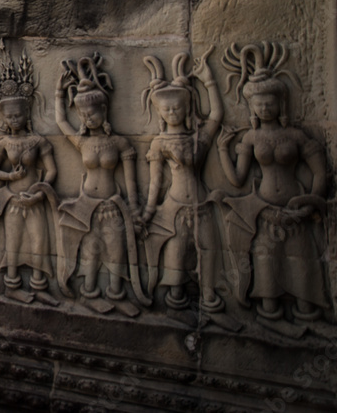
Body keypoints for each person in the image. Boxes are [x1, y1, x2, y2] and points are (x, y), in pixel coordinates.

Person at [217, 42, 328, 323]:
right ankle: (268, 319)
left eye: (269, 102)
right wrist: (221, 150)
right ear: (251, 108)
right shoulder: (251, 139)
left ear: (281, 104)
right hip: (264, 213)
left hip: (295, 211)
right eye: (259, 104)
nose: (264, 107)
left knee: (302, 272)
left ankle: (306, 317)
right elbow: (238, 179)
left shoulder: (296, 136)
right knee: (266, 275)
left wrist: (309, 202)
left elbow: (320, 173)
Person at [54, 54, 149, 312]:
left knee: (117, 253)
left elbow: (131, 184)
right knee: (91, 252)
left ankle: (117, 296)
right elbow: (62, 123)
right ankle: (89, 294)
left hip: (112, 206)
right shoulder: (83, 142)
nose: (87, 118)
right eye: (83, 114)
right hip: (86, 206)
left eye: (92, 113)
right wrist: (59, 94)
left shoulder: (119, 144)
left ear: (103, 110)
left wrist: (136, 210)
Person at [140, 50, 227, 314]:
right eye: (166, 109)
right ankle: (175, 301)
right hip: (174, 208)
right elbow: (155, 183)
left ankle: (210, 296)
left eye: (177, 107)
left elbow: (216, 116)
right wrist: (148, 212)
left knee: (209, 254)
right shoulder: (160, 143)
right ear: (159, 113)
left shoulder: (198, 138)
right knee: (175, 259)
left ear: (187, 107)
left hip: (202, 205)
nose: (172, 112)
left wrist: (209, 81)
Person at [0, 87, 58, 303]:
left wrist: (40, 193)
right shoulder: (4, 143)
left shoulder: (38, 141)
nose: (14, 120)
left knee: (39, 242)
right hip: (12, 199)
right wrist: (11, 177)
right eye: (9, 116)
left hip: (35, 198)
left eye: (18, 115)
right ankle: (12, 284)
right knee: (13, 243)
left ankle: (39, 284)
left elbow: (52, 171)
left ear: (26, 114)